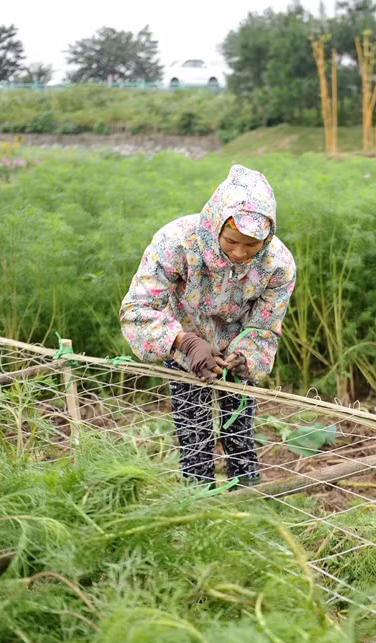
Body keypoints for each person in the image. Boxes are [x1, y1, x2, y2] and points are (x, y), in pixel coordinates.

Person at [120, 164, 296, 487]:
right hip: (184, 347)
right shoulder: (176, 244)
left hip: (235, 353)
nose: (240, 253)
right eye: (231, 242)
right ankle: (201, 508)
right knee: (195, 437)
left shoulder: (277, 266)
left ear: (266, 238)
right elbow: (137, 309)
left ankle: (247, 504)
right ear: (216, 224)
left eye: (251, 245)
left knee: (239, 433)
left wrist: (246, 356)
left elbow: (265, 327)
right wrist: (183, 343)